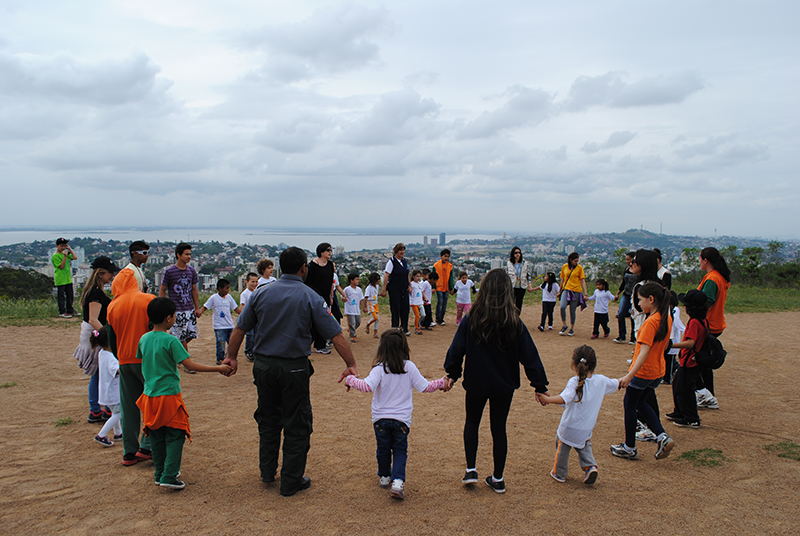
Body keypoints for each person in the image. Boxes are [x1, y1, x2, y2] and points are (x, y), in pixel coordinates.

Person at [221, 247, 358, 497]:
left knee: (268, 418)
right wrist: (350, 364)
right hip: (294, 367)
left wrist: (231, 357)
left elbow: (240, 329)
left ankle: (267, 471)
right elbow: (335, 334)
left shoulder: (260, 293)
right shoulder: (311, 296)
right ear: (303, 268)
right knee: (297, 424)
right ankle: (291, 481)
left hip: (264, 366)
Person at [444, 269, 549, 494]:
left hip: (476, 381)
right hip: (504, 384)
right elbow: (530, 356)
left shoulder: (472, 318)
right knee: (498, 428)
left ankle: (471, 469)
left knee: (472, 422)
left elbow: (456, 349)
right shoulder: (514, 321)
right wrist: (540, 386)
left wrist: (452, 374)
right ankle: (498, 478)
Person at [136, 298, 231, 489]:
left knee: (156, 436)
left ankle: (160, 473)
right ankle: (169, 476)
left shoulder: (143, 339)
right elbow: (189, 364)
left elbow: (143, 361)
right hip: (169, 396)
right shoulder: (171, 340)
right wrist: (219, 368)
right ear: (169, 318)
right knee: (175, 435)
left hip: (149, 396)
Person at [344, 330, 448, 500]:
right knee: (400, 449)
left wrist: (350, 380)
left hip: (380, 419)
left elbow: (366, 386)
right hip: (402, 420)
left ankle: (384, 477)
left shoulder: (379, 368)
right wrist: (441, 382)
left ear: (382, 349)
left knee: (383, 449)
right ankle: (398, 482)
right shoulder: (409, 367)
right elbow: (424, 386)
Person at [610, 282, 675, 461]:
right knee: (641, 403)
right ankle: (662, 436)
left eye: (640, 300)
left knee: (630, 404)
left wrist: (629, 376)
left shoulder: (650, 322)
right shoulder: (665, 317)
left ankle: (629, 447)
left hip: (644, 372)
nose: (638, 304)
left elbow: (644, 352)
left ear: (651, 299)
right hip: (658, 370)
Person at [536, 345, 619, 485]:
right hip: (586, 428)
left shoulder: (574, 382)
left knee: (562, 448)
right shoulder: (602, 381)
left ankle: (559, 473)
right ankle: (590, 466)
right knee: (584, 446)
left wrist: (547, 399)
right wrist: (629, 377)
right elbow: (618, 383)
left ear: (574, 364)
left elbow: (564, 398)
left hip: (569, 427)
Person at [107, 267, 155, 466]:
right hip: (147, 359)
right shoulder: (148, 299)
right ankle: (147, 445)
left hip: (125, 359)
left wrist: (120, 356)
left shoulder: (113, 306)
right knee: (152, 402)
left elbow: (111, 338)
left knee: (128, 407)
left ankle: (129, 451)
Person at [74, 256, 120, 423]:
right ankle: (97, 409)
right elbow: (93, 318)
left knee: (99, 372)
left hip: (94, 332)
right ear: (100, 273)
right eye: (110, 273)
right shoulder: (95, 293)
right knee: (99, 373)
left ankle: (100, 408)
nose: (112, 276)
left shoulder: (95, 290)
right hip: (96, 333)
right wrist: (104, 335)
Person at [665, 290, 709, 428]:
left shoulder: (695, 322)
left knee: (686, 389)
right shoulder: (703, 320)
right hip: (691, 360)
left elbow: (691, 342)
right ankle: (679, 411)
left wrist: (671, 345)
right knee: (678, 384)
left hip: (690, 361)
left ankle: (691, 418)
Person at [694, 247, 731, 410]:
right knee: (704, 363)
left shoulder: (712, 278)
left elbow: (707, 300)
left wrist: (695, 313)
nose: (699, 261)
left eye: (700, 259)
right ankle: (708, 394)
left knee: (696, 362)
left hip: (708, 324)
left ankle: (705, 395)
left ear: (706, 260)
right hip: (715, 323)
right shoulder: (717, 277)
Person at [159, 243, 200, 373]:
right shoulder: (169, 271)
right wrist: (164, 305)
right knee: (182, 337)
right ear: (179, 255)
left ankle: (175, 353)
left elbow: (194, 289)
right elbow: (163, 289)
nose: (189, 257)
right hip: (176, 309)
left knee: (191, 334)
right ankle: (187, 363)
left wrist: (197, 307)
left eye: (190, 254)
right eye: (186, 254)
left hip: (189, 308)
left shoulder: (191, 271)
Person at [197, 279, 241, 365]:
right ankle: (220, 358)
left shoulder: (229, 297)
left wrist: (242, 314)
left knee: (232, 342)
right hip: (219, 326)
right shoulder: (214, 298)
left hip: (229, 325)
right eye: (226, 288)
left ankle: (230, 357)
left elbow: (235, 308)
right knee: (221, 343)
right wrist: (200, 312)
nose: (228, 290)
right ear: (220, 289)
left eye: (228, 288)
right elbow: (206, 307)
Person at [91, 327, 123, 447]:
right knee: (119, 413)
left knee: (116, 412)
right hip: (113, 392)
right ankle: (102, 435)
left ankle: (118, 433)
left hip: (106, 391)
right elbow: (118, 370)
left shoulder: (102, 353)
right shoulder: (110, 358)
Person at [305, 243, 336, 354]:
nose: (330, 252)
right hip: (313, 296)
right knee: (311, 321)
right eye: (328, 250)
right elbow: (307, 282)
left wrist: (331, 296)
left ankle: (320, 345)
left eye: (331, 250)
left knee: (323, 320)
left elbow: (331, 282)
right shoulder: (312, 265)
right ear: (321, 252)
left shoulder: (330, 265)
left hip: (325, 297)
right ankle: (306, 344)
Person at [381, 243, 411, 335]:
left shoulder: (404, 261)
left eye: (403, 250)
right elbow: (386, 275)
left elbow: (407, 274)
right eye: (400, 250)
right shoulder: (391, 262)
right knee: (395, 309)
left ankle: (404, 328)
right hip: (394, 289)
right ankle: (395, 328)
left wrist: (410, 285)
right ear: (396, 251)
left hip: (404, 288)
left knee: (405, 308)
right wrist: (384, 289)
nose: (402, 252)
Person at [558, 252, 588, 336]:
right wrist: (560, 291)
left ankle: (572, 328)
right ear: (570, 260)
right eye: (575, 261)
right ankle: (564, 325)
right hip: (566, 290)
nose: (576, 262)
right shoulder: (564, 267)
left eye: (577, 261)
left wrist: (585, 293)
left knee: (572, 310)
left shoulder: (579, 268)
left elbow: (582, 280)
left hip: (576, 291)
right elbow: (563, 279)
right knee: (562, 307)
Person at [613, 252, 637, 344]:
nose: (627, 261)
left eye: (628, 259)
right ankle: (621, 335)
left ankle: (633, 337)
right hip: (626, 294)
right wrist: (618, 293)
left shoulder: (638, 270)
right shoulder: (627, 269)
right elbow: (624, 283)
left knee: (633, 316)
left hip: (634, 296)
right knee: (621, 313)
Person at [52, 237, 76, 318]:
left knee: (70, 295)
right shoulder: (55, 256)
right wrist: (65, 256)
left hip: (68, 278)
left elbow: (75, 257)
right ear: (57, 246)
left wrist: (70, 249)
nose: (63, 248)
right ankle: (62, 311)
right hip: (60, 279)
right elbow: (61, 266)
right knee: (61, 296)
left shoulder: (65, 253)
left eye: (64, 246)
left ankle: (70, 310)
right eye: (61, 246)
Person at [506, 247, 533, 312]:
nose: (517, 254)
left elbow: (528, 274)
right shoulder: (509, 263)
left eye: (519, 252)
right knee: (511, 302)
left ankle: (517, 317)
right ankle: (511, 316)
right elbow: (506, 274)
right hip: (512, 285)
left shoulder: (525, 263)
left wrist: (530, 285)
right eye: (516, 253)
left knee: (519, 302)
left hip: (522, 285)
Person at [239, 272, 259, 362]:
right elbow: (242, 306)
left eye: (256, 281)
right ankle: (248, 351)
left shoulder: (258, 292)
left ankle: (255, 351)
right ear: (247, 282)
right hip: (249, 318)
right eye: (252, 282)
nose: (254, 284)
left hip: (257, 318)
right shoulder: (244, 294)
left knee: (257, 335)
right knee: (250, 335)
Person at [432, 249, 455, 326]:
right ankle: (438, 318)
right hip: (439, 287)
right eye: (445, 256)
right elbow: (433, 277)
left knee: (445, 303)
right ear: (441, 256)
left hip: (446, 288)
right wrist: (434, 287)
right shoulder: (436, 265)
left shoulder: (450, 266)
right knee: (440, 302)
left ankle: (441, 318)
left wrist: (451, 288)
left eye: (448, 256)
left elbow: (451, 278)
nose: (446, 258)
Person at [343, 273, 365, 342]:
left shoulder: (359, 289)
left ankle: (351, 329)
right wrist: (344, 299)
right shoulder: (347, 289)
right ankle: (353, 336)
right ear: (351, 280)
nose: (358, 281)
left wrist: (363, 307)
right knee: (352, 323)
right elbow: (343, 296)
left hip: (357, 309)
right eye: (356, 280)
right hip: (350, 309)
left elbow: (361, 299)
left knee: (358, 322)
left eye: (358, 279)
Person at [364, 272, 381, 338]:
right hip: (370, 303)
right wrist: (365, 307)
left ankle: (375, 333)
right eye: (377, 279)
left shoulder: (377, 286)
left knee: (377, 319)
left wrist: (380, 294)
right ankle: (367, 325)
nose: (379, 280)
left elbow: (375, 294)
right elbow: (366, 297)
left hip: (375, 303)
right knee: (375, 317)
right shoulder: (369, 288)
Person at [409, 269, 425, 335]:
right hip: (413, 302)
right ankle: (416, 328)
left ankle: (418, 323)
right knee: (417, 315)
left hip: (420, 302)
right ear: (413, 276)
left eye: (419, 276)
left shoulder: (420, 284)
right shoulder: (411, 284)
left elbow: (421, 291)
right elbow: (409, 291)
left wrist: (425, 298)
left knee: (423, 315)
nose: (418, 278)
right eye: (417, 276)